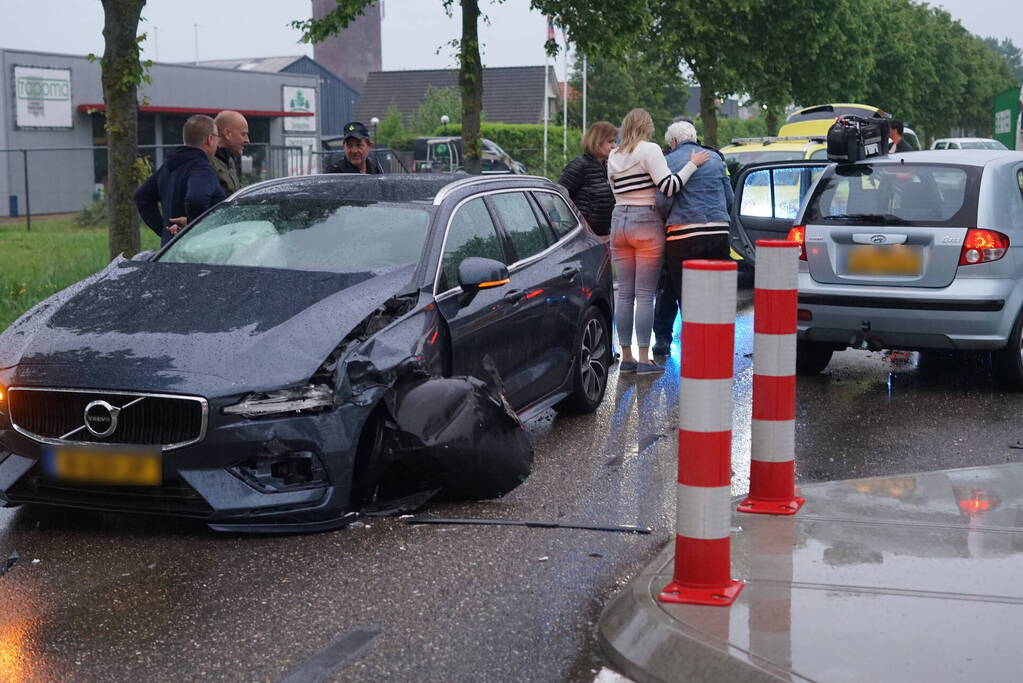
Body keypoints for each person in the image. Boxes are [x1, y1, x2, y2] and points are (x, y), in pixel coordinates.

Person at [607, 108, 709, 375]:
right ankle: (644, 358)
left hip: (619, 222)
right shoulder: (650, 150)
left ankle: (625, 357)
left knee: (625, 294)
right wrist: (692, 164)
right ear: (647, 127)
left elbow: (616, 192)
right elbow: (670, 186)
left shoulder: (613, 155)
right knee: (644, 295)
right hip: (645, 223)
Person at [656, 119, 733, 324]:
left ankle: (693, 342)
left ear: (673, 141)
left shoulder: (668, 161)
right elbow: (730, 198)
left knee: (685, 294)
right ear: (693, 136)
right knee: (716, 292)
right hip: (718, 232)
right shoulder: (717, 159)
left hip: (683, 235)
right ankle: (717, 338)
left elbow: (662, 202)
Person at [134, 114, 226, 246]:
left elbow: (141, 197)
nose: (218, 144)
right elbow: (196, 199)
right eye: (217, 138)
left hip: (169, 252)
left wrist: (165, 231)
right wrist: (195, 226)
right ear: (210, 139)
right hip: (199, 252)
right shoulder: (202, 168)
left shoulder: (168, 167)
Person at [558, 121, 617, 238]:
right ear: (597, 141)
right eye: (610, 142)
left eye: (614, 141)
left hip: (602, 235)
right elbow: (558, 197)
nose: (614, 146)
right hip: (582, 237)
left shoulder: (608, 166)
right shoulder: (579, 166)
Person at [212, 110, 249, 195]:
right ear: (227, 133)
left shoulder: (229, 161)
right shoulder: (208, 164)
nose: (247, 140)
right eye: (243, 134)